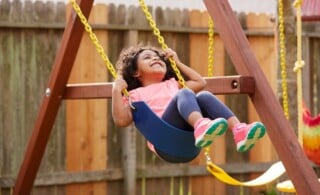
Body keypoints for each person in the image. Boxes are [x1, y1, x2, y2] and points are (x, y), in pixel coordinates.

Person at [112, 45, 266, 162]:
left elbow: (201, 82)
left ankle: (239, 131)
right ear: (135, 72)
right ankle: (200, 125)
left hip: (187, 142)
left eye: (158, 57)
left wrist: (177, 62)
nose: (155, 58)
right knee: (185, 93)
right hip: (164, 141)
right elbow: (121, 120)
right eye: (147, 57)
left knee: (204, 95)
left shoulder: (172, 84)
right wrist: (116, 90)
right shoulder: (134, 95)